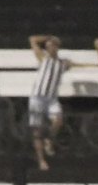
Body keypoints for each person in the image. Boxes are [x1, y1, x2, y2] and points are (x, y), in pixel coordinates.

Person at [28, 34, 74, 171]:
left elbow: (72, 65)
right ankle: (41, 160)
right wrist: (49, 37)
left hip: (51, 98)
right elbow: (32, 40)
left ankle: (49, 139)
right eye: (48, 46)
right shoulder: (43, 58)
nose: (51, 48)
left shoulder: (62, 63)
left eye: (53, 46)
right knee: (37, 130)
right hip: (37, 97)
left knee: (58, 119)